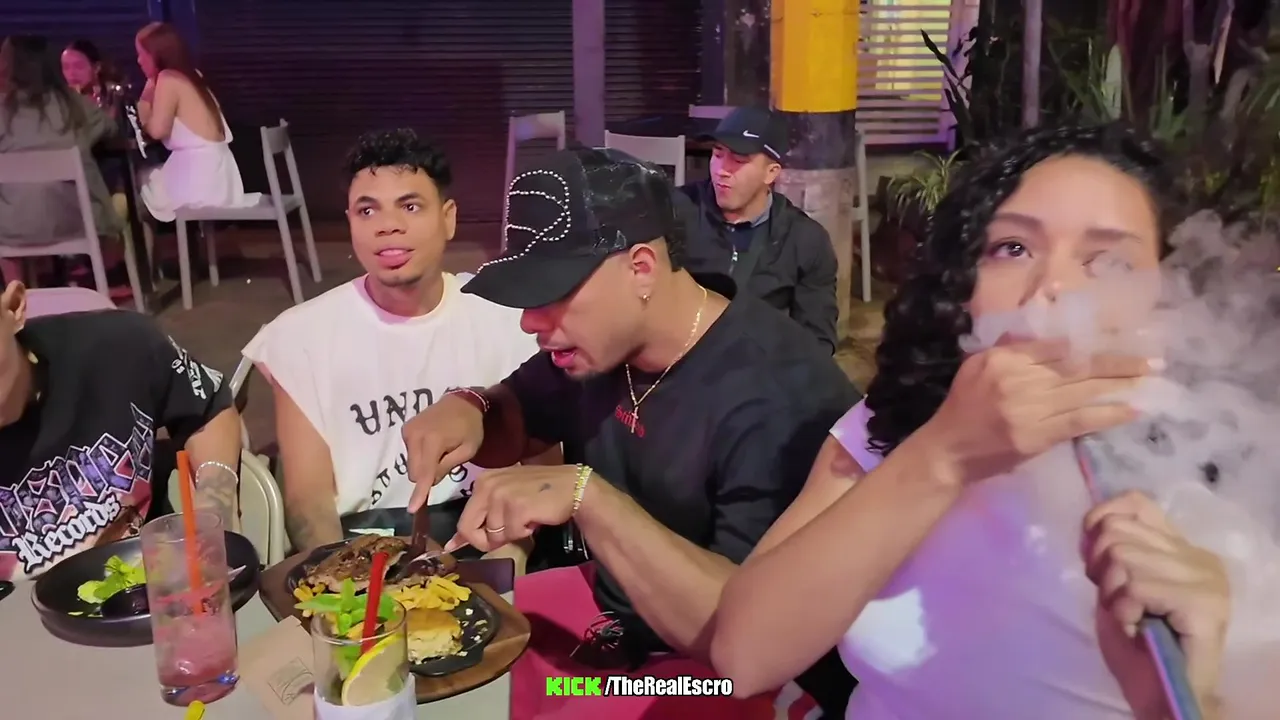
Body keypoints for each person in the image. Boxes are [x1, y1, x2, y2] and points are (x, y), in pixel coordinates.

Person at [710, 125, 1247, 718]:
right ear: (963, 284)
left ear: (1166, 299)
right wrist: (943, 455)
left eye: (1109, 260)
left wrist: (1186, 695)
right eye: (1013, 248)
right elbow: (743, 656)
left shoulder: (1223, 467)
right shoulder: (897, 424)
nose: (1052, 288)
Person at [399, 147, 859, 719]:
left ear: (641, 267)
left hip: (735, 673)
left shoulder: (777, 399)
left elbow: (742, 638)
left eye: (551, 292)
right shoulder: (602, 345)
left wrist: (586, 497)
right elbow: (517, 414)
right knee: (431, 668)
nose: (529, 321)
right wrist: (469, 407)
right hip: (618, 613)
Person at [242, 129, 539, 564]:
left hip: (485, 534)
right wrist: (344, 578)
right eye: (367, 210)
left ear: (448, 218)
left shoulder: (508, 319)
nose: (387, 226)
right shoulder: (301, 337)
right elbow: (308, 501)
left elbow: (541, 472)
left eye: (410, 206)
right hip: (361, 547)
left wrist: (508, 563)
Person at [0, 266, 242, 582]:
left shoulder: (118, 348)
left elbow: (210, 411)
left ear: (14, 307)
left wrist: (213, 502)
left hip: (147, 589)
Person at [678, 106, 838, 353]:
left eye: (738, 160)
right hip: (679, 359)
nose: (721, 170)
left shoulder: (805, 239)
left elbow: (817, 342)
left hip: (756, 366)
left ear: (770, 173)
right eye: (717, 154)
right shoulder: (677, 210)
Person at [0, 35, 123, 255]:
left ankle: (17, 277)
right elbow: (110, 128)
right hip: (76, 222)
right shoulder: (74, 104)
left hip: (10, 229)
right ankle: (104, 270)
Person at [134, 22, 258, 222]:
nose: (139, 61)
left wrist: (144, 104)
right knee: (149, 177)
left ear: (156, 54)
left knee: (140, 186)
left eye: (142, 54)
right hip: (223, 176)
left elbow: (157, 131)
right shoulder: (193, 74)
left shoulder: (168, 79)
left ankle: (136, 243)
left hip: (200, 178)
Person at [61, 39, 125, 117]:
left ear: (97, 67)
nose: (71, 73)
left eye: (79, 66)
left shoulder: (115, 96)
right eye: (66, 67)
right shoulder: (60, 102)